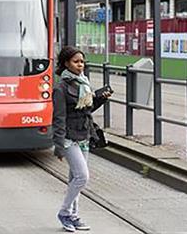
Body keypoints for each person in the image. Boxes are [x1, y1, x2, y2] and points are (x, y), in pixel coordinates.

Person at [52, 46, 111, 232]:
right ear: (66, 64)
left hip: (84, 135)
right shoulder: (61, 88)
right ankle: (64, 212)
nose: (80, 65)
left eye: (82, 62)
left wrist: (101, 98)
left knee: (75, 178)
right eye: (76, 62)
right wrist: (59, 145)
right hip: (69, 138)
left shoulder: (83, 83)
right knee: (82, 177)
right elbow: (59, 118)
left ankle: (73, 216)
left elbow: (87, 110)